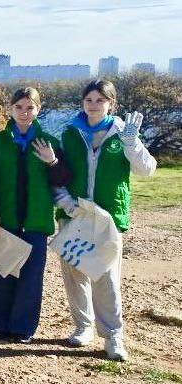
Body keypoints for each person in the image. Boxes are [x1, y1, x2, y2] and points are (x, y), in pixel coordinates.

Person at [54, 80, 156, 361]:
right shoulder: (70, 133)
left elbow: (146, 170)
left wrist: (132, 143)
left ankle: (113, 336)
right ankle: (83, 327)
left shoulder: (123, 133)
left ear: (112, 104)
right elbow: (57, 171)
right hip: (74, 214)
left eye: (101, 100)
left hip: (107, 219)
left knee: (107, 279)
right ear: (82, 102)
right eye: (89, 99)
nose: (94, 105)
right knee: (75, 275)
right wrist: (63, 200)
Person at [0, 87, 71, 344]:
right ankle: (0, 325)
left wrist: (52, 161)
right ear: (10, 109)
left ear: (38, 110)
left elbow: (63, 179)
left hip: (36, 222)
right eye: (19, 107)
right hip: (4, 221)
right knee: (1, 275)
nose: (24, 112)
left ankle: (22, 329)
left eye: (30, 108)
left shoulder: (49, 142)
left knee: (30, 279)